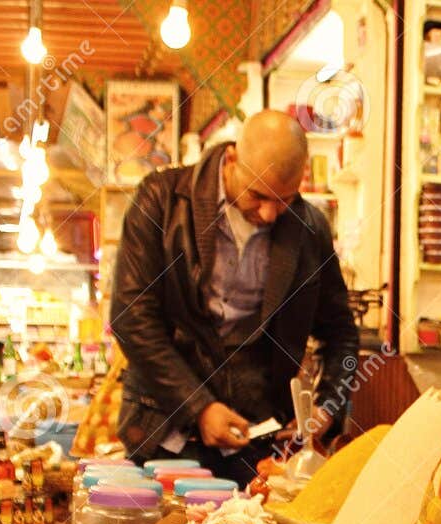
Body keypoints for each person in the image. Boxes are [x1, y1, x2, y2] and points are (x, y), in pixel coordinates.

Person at [111, 109, 359, 485]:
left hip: (258, 447)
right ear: (231, 159)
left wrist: (326, 407)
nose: (270, 213)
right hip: (162, 432)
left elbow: (341, 333)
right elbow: (132, 318)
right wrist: (198, 406)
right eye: (258, 195)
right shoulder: (162, 199)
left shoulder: (310, 229)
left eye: (285, 200)